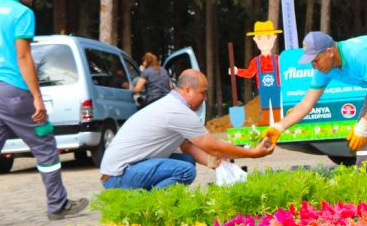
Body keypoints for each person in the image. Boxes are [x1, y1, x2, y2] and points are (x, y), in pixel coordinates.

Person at [0, 0, 89, 220]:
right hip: (14, 90)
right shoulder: (21, 13)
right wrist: (37, 96)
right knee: (45, 142)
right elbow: (23, 56)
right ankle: (58, 205)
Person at [266, 31, 367, 175]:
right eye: (311, 62)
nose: (313, 66)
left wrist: (363, 124)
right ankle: (363, 177)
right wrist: (278, 128)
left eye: (315, 60)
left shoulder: (357, 54)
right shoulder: (323, 69)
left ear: (329, 52)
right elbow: (306, 104)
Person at [99, 69, 274, 190]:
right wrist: (253, 153)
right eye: (203, 93)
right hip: (119, 176)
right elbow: (211, 146)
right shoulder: (178, 110)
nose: (205, 98)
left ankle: (151, 199)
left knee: (186, 161)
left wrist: (216, 163)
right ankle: (146, 206)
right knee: (185, 170)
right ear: (188, 90)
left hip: (118, 171)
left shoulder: (171, 104)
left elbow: (188, 146)